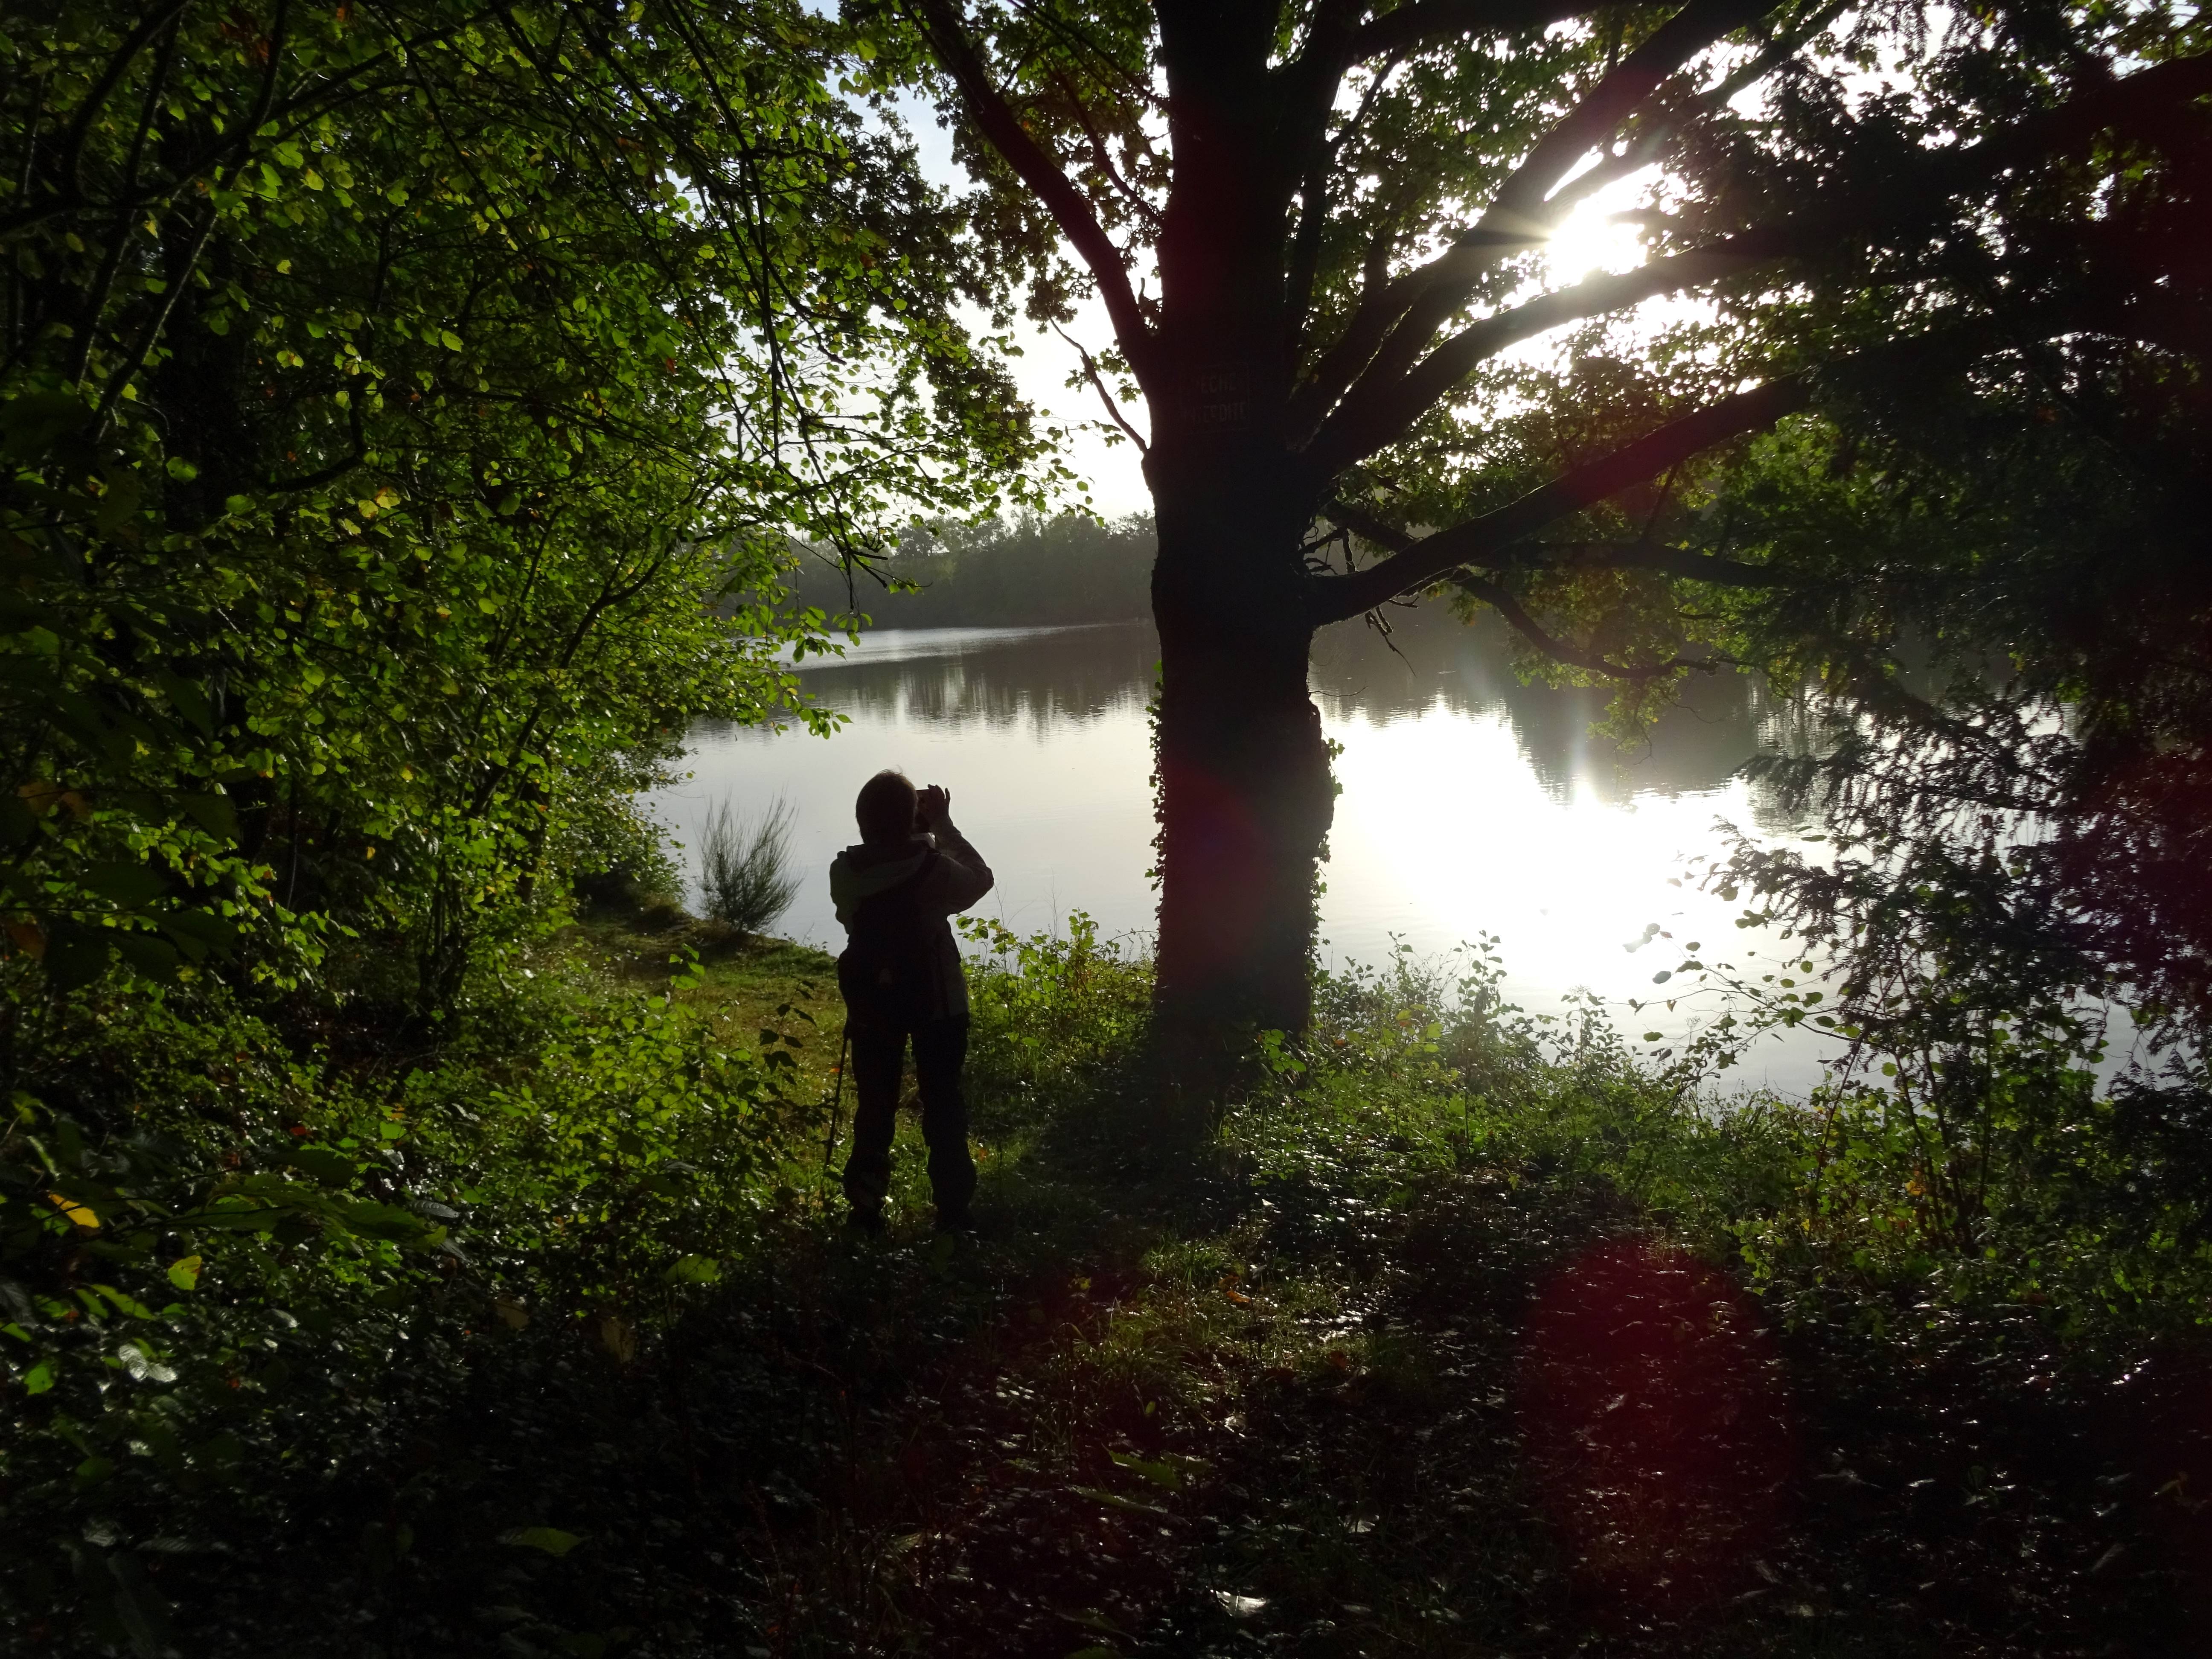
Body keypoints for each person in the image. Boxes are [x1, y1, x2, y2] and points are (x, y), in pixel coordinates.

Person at [829, 769, 994, 1234]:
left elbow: (850, 918)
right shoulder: (934, 869)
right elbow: (981, 879)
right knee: (943, 1105)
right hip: (938, 1003)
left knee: (874, 1106)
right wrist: (942, 826)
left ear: (862, 820)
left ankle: (865, 1211)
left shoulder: (844, 873)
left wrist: (918, 836)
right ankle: (954, 1214)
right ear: (911, 819)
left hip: (872, 1004)